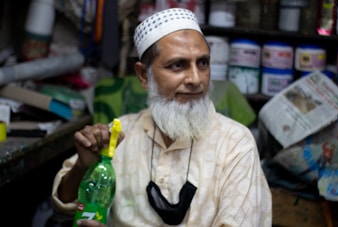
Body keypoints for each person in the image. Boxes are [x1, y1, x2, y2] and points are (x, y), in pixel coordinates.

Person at [51, 7, 272, 227]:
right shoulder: (119, 134)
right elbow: (64, 209)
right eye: (178, 65)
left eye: (202, 63)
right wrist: (83, 166)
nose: (196, 79)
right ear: (143, 75)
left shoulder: (235, 143)